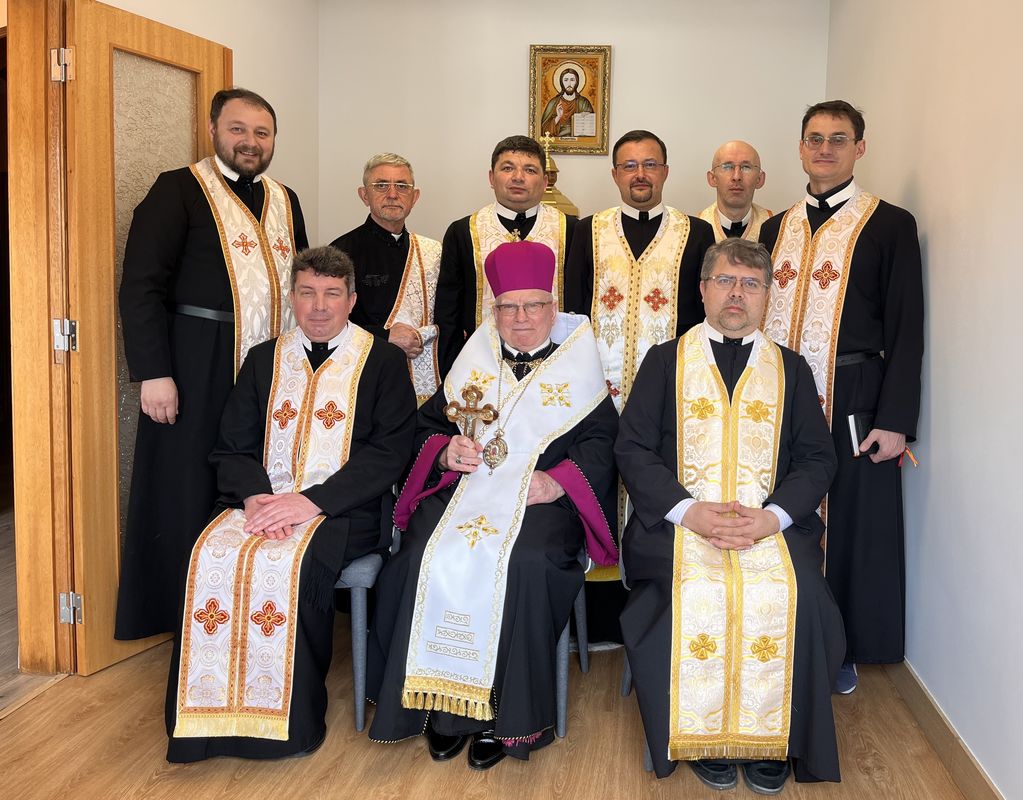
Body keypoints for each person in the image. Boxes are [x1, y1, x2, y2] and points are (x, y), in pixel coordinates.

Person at [367, 240, 618, 771]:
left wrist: (559, 482)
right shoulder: (476, 358)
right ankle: (435, 705)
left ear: (553, 308)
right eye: (508, 307)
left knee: (522, 563)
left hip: (542, 505)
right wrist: (443, 453)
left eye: (532, 306)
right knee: (418, 557)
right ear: (494, 310)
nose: (521, 318)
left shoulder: (580, 359)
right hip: (464, 493)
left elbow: (603, 444)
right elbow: (427, 428)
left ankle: (502, 715)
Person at [164, 246, 415, 762]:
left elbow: (390, 454)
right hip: (260, 502)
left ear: (350, 299)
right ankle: (204, 725)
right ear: (293, 298)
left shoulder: (383, 361)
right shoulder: (264, 360)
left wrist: (310, 503)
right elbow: (231, 444)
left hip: (346, 510)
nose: (318, 307)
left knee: (284, 563)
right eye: (307, 293)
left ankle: (290, 725)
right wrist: (255, 496)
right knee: (212, 555)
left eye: (330, 294)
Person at [616, 237, 845, 793]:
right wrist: (688, 511)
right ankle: (699, 735)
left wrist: (774, 518)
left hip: (766, 525)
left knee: (799, 594)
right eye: (725, 281)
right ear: (702, 290)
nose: (736, 294)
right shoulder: (664, 360)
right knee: (697, 589)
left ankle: (776, 739)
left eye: (750, 284)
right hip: (676, 526)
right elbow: (632, 450)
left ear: (768, 295)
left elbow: (818, 457)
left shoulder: (790, 368)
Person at [116, 87, 308, 640]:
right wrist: (154, 372)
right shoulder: (177, 189)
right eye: (238, 129)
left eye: (262, 132)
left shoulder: (284, 197)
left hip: (269, 365)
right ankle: (186, 617)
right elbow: (141, 286)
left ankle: (253, 605)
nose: (250, 141)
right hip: (195, 362)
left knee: (262, 473)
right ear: (213, 130)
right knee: (188, 483)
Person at [758, 100, 924, 693]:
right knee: (780, 509)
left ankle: (842, 645)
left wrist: (897, 418)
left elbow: (908, 327)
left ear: (860, 147)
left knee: (852, 523)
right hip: (778, 393)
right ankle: (773, 633)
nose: (824, 148)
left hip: (856, 392)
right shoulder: (775, 226)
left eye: (838, 138)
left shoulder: (888, 224)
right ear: (800, 147)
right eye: (814, 138)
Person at [563, 129, 714, 632]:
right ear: (615, 175)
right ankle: (603, 614)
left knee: (659, 480)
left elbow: (700, 317)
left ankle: (654, 602)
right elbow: (572, 312)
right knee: (598, 480)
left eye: (650, 165)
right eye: (629, 166)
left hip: (665, 389)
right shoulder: (585, 231)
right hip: (596, 388)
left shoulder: (696, 233)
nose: (640, 175)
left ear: (666, 173)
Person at [433, 135, 576, 373]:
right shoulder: (462, 232)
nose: (518, 177)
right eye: (507, 168)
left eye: (530, 169)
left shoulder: (571, 230)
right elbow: (448, 313)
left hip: (556, 364)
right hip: (482, 364)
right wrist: (453, 371)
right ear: (491, 177)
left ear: (545, 180)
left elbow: (578, 305)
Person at [331, 153, 443, 404]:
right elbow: (326, 323)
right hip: (366, 380)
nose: (393, 194)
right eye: (381, 185)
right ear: (364, 195)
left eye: (402, 186)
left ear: (415, 197)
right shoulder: (340, 252)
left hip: (429, 387)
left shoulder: (434, 252)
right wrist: (384, 337)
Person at [698, 140, 773, 241]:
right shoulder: (695, 232)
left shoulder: (775, 229)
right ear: (712, 178)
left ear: (760, 179)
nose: (736, 177)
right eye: (727, 167)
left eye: (746, 167)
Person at [539, 67, 595, 138]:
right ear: (561, 83)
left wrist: (586, 116)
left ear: (577, 82)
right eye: (566, 80)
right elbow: (543, 130)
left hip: (579, 142)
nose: (569, 83)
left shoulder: (583, 102)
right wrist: (558, 117)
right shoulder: (554, 102)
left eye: (572, 80)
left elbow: (592, 127)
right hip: (557, 141)